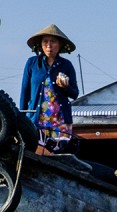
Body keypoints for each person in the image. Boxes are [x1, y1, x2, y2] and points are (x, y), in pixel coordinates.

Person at [19, 24, 80, 152]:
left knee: (59, 157)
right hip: (36, 120)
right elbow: (25, 92)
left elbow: (75, 94)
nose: (49, 45)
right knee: (34, 153)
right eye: (45, 41)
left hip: (60, 121)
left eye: (53, 41)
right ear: (40, 45)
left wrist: (65, 87)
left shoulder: (66, 65)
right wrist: (21, 117)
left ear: (60, 45)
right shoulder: (32, 63)